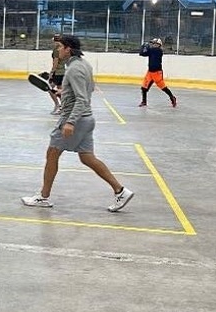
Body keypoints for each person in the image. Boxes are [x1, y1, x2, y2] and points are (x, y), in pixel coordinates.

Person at [21, 34, 133, 212]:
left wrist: (70, 122)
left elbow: (82, 99)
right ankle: (120, 191)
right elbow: (86, 90)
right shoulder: (84, 65)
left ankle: (43, 197)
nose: (57, 50)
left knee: (52, 153)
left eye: (60, 47)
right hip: (87, 119)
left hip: (75, 119)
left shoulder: (74, 69)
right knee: (87, 158)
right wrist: (63, 93)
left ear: (68, 49)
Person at [139, 37, 177, 108]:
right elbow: (141, 54)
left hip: (157, 73)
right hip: (150, 72)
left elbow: (148, 51)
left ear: (158, 44)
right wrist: (143, 47)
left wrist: (146, 47)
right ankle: (144, 102)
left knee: (163, 87)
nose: (152, 44)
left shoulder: (159, 51)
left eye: (154, 43)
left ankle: (172, 97)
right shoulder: (151, 50)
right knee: (144, 88)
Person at [47, 34, 65, 114]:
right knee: (60, 90)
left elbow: (55, 63)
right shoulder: (64, 48)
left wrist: (51, 73)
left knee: (50, 89)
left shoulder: (56, 50)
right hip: (63, 72)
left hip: (57, 73)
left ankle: (57, 105)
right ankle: (64, 107)